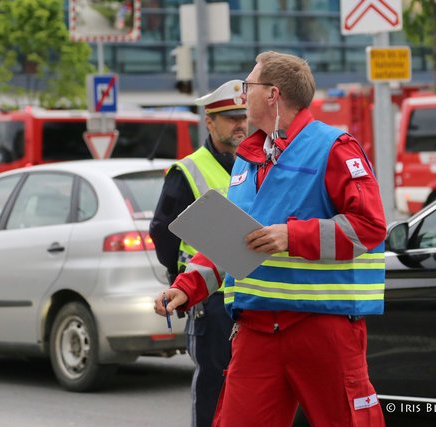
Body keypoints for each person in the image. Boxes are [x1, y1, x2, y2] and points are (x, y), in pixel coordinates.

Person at [154, 51, 387, 427]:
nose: (242, 94)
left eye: (249, 85)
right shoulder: (248, 159)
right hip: (256, 329)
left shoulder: (334, 147)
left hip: (322, 327)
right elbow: (233, 238)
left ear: (273, 94)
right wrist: (187, 286)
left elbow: (369, 226)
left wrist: (291, 235)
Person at [149, 80, 247, 427]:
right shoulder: (188, 170)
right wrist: (182, 280)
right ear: (210, 122)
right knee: (213, 389)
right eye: (231, 118)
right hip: (211, 300)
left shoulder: (252, 164)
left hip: (249, 294)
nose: (240, 125)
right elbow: (163, 231)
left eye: (243, 117)